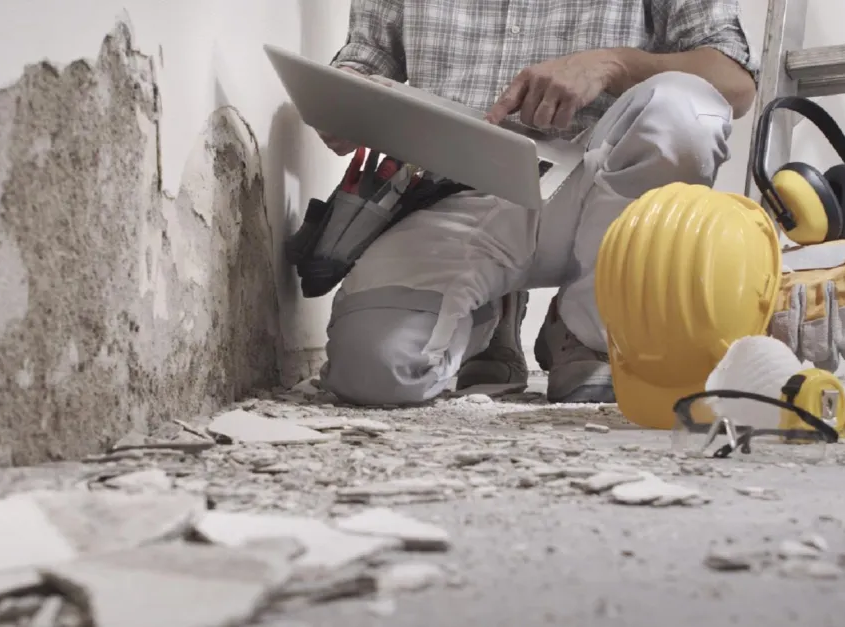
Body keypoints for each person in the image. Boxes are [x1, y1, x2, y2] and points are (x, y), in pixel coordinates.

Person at [317, 0, 758, 406]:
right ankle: (491, 314)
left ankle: (588, 330)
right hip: (453, 196)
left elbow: (734, 81)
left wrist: (612, 64)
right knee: (374, 372)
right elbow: (368, 55)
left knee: (686, 108)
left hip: (597, 186)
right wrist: (344, 97)